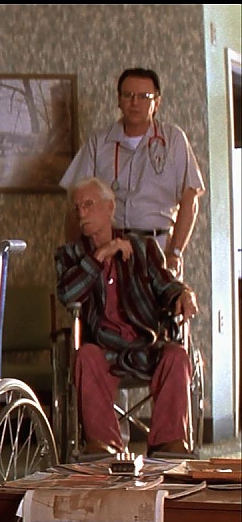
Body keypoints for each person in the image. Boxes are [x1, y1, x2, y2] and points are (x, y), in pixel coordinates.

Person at [55, 176, 197, 459]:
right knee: (85, 356)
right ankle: (103, 443)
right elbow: (68, 294)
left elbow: (166, 284)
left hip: (145, 342)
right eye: (77, 208)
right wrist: (100, 256)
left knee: (176, 355)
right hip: (103, 346)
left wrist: (184, 294)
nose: (82, 213)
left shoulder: (144, 248)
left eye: (89, 204)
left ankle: (168, 441)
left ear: (109, 207)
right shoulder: (70, 255)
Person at [58, 67, 204, 278]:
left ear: (157, 102)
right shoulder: (99, 143)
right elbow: (75, 201)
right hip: (109, 248)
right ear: (119, 100)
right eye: (128, 95)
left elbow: (190, 200)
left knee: (162, 299)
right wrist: (75, 255)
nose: (135, 102)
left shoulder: (173, 140)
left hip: (158, 249)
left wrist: (176, 253)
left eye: (144, 97)